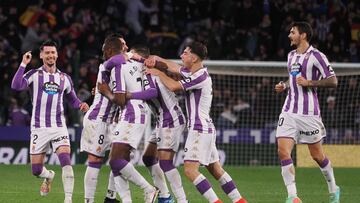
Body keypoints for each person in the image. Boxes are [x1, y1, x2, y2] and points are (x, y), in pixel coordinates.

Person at [145, 41, 247, 203]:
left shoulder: (200, 76)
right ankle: (240, 201)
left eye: (185, 53)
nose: (181, 55)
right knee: (215, 169)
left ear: (193, 58)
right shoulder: (192, 71)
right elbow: (172, 66)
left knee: (190, 171)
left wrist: (158, 72)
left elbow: (172, 86)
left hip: (199, 129)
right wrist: (155, 61)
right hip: (205, 127)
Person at [11, 40, 89, 203]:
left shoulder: (64, 78)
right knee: (36, 170)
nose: (50, 55)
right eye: (47, 53)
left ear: (57, 55)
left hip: (59, 127)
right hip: (39, 128)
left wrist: (81, 105)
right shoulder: (34, 75)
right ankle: (49, 176)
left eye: (53, 52)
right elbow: (16, 86)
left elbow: (72, 100)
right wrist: (23, 64)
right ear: (41, 55)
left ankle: (68, 200)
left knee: (66, 160)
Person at [274, 21, 340, 203]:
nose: (289, 35)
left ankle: (334, 188)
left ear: (303, 35)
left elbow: (333, 81)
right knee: (282, 151)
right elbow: (292, 79)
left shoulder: (317, 56)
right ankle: (293, 196)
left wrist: (311, 83)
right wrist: (284, 85)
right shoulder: (291, 56)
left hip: (309, 114)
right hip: (288, 111)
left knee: (317, 156)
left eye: (292, 32)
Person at [125, 45, 188, 203]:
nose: (129, 58)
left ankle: (182, 200)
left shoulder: (147, 72)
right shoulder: (142, 74)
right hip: (163, 120)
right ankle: (165, 196)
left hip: (171, 119)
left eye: (132, 55)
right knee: (148, 158)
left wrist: (129, 95)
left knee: (166, 162)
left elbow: (152, 92)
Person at [97, 41, 158, 203]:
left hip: (131, 113)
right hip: (139, 113)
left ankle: (149, 189)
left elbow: (120, 99)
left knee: (116, 160)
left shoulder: (118, 67)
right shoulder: (143, 67)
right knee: (118, 164)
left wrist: (105, 91)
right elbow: (151, 91)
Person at [80, 35, 130, 203]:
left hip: (111, 121)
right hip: (98, 120)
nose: (126, 48)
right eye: (123, 45)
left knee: (121, 158)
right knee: (95, 160)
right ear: (111, 50)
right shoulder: (110, 64)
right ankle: (88, 201)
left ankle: (110, 197)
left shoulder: (119, 66)